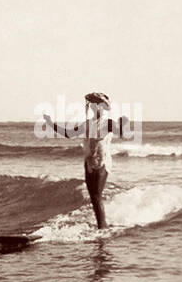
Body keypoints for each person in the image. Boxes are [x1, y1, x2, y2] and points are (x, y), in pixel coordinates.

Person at [41, 92, 130, 229]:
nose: (96, 108)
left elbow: (121, 134)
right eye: (94, 105)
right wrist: (50, 123)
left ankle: (102, 226)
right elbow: (68, 134)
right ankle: (102, 224)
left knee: (96, 195)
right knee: (93, 197)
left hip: (103, 161)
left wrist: (124, 124)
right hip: (88, 163)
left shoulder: (109, 123)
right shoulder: (87, 124)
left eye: (99, 105)